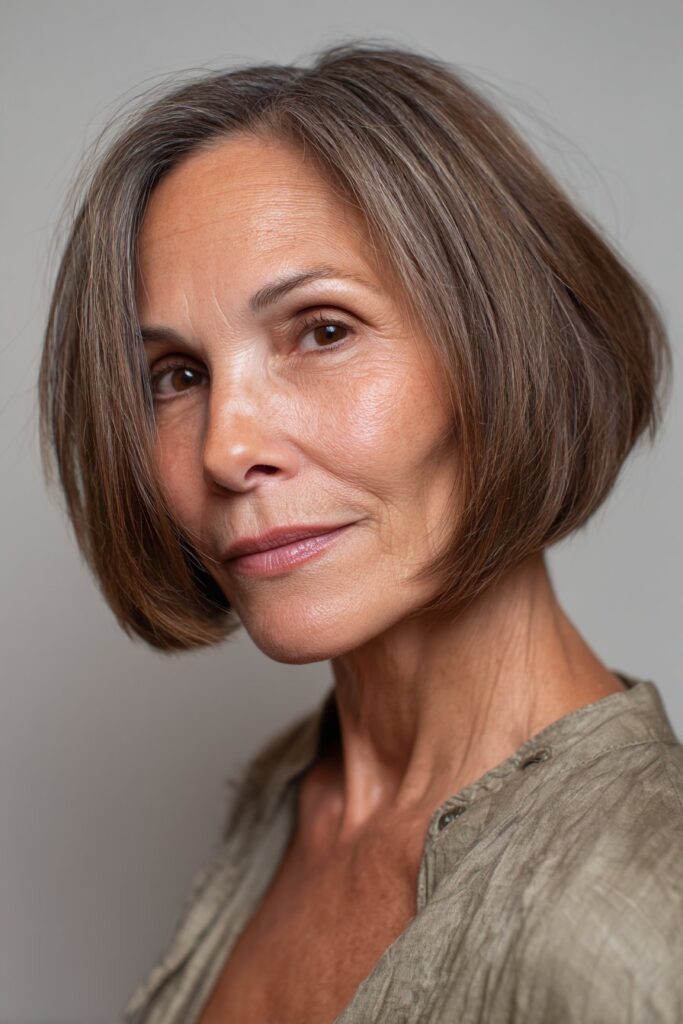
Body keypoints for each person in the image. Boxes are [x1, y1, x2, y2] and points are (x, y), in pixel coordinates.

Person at [38, 39, 682, 1024]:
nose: (224, 446)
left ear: (501, 349)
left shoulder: (636, 922)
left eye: (322, 331)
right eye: (176, 374)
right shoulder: (290, 797)